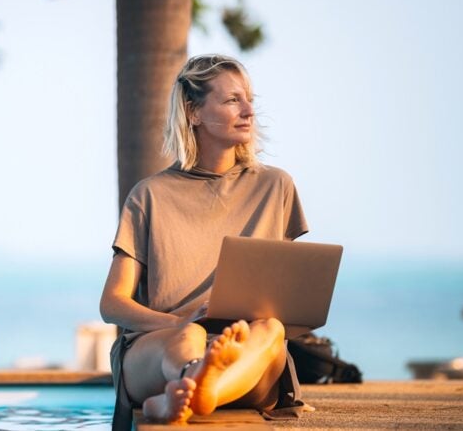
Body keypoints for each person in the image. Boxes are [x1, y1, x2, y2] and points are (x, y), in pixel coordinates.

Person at [100, 54, 309, 429]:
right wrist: (178, 321)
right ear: (193, 113)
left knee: (272, 329)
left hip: (246, 354)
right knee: (190, 336)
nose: (248, 111)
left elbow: (283, 297)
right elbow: (112, 304)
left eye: (249, 100)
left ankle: (194, 391)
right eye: (232, 100)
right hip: (162, 343)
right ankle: (197, 379)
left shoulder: (276, 186)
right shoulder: (149, 195)